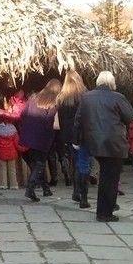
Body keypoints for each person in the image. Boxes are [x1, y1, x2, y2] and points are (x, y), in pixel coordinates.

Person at [74, 71, 133, 222]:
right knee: (110, 178)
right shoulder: (118, 97)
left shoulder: (86, 97)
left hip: (94, 142)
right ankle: (105, 212)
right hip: (114, 143)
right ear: (112, 82)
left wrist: (76, 140)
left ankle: (107, 207)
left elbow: (78, 120)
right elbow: (130, 118)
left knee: (106, 176)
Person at [20, 79, 61, 202]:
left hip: (27, 135)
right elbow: (49, 122)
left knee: (36, 164)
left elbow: (23, 114)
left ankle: (46, 189)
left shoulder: (33, 97)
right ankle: (30, 190)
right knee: (39, 164)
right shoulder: (53, 102)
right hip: (42, 137)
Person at [57, 69, 90, 209]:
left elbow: (61, 119)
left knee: (75, 161)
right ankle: (83, 197)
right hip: (82, 133)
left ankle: (76, 192)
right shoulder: (85, 95)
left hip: (68, 134)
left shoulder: (61, 97)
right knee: (83, 163)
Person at [0, 119, 26, 190]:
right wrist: (25, 148)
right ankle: (14, 185)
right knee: (12, 169)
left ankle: (3, 184)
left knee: (2, 169)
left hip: (1, 152)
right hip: (11, 153)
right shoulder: (14, 131)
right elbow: (17, 144)